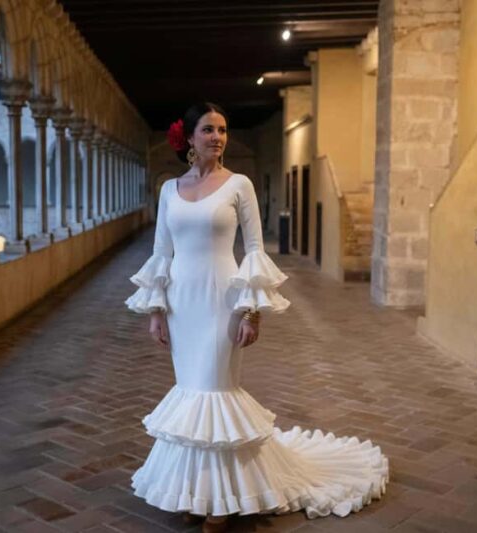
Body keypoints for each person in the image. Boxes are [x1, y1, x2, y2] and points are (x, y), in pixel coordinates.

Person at [125, 102, 388, 532]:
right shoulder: (169, 190)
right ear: (189, 139)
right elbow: (160, 252)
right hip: (181, 304)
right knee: (191, 394)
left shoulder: (240, 185)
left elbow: (253, 250)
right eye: (208, 130)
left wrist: (251, 310)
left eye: (223, 130)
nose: (217, 137)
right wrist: (156, 310)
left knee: (215, 390)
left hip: (222, 300)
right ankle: (196, 491)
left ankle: (221, 501)